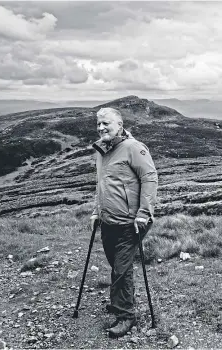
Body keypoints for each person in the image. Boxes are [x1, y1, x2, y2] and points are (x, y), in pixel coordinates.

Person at [89, 107, 158, 338]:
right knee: (118, 266)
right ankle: (120, 301)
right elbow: (102, 186)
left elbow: (150, 177)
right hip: (109, 221)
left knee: (121, 269)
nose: (101, 128)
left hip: (131, 222)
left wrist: (143, 213)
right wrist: (95, 212)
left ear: (119, 124)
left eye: (105, 124)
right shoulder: (101, 151)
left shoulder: (133, 148)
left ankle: (126, 316)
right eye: (98, 124)